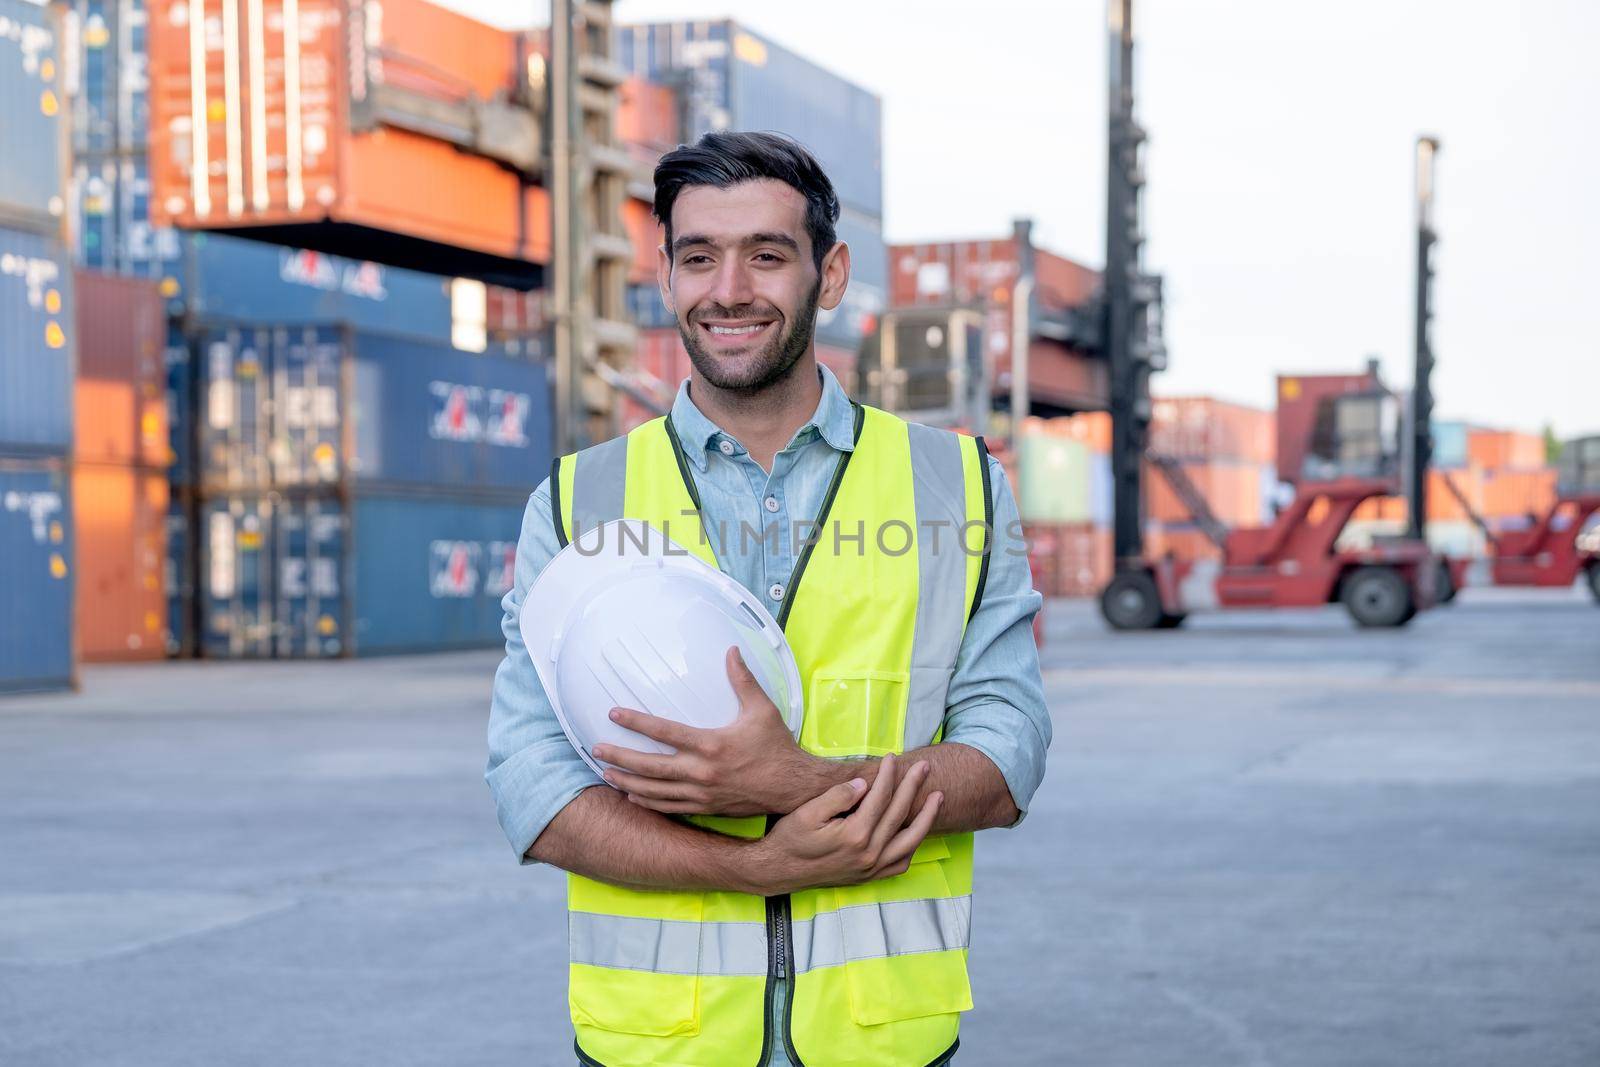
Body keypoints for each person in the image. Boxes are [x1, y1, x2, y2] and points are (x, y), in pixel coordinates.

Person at [486, 131, 1050, 1067]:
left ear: (829, 275)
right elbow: (534, 792)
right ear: (664, 276)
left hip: (883, 1040)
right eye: (699, 256)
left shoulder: (958, 485)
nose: (730, 289)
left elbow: (1007, 755)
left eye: (767, 254)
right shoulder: (578, 500)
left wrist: (793, 784)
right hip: (657, 1045)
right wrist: (753, 868)